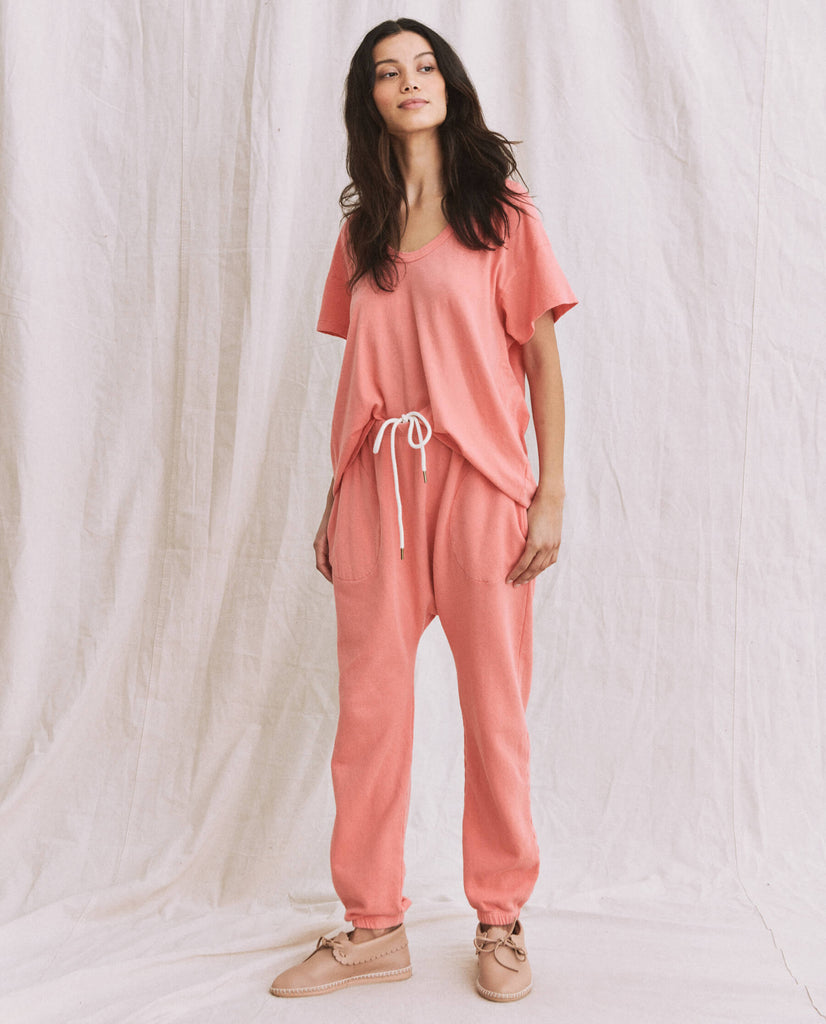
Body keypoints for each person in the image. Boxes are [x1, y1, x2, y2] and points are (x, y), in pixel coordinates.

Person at [270, 17, 576, 1003]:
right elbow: (360, 375)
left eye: (425, 65)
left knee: (494, 714)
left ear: (449, 84)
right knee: (369, 716)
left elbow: (541, 361)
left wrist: (548, 492)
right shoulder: (361, 230)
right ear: (369, 98)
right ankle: (372, 927)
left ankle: (500, 919)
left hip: (482, 485)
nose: (411, 81)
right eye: (388, 72)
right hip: (375, 490)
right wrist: (336, 498)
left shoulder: (501, 213)